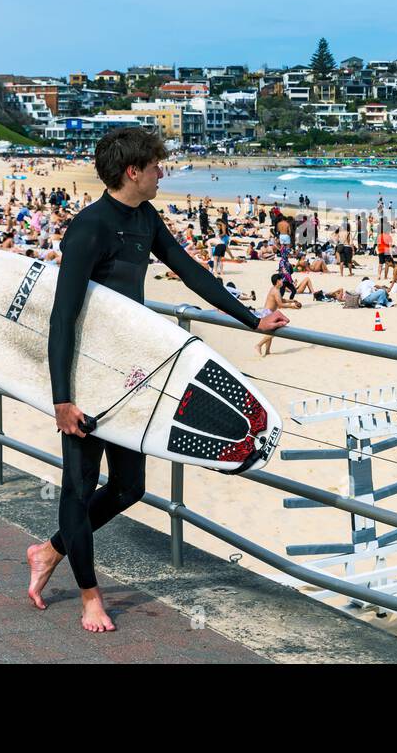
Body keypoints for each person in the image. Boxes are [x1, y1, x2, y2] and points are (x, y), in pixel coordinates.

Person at [33, 127, 287, 633]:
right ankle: (89, 598)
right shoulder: (88, 229)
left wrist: (249, 319)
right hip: (87, 377)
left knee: (130, 487)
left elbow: (191, 272)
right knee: (79, 491)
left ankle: (49, 550)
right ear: (133, 171)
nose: (161, 173)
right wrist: (63, 399)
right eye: (155, 166)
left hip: (131, 372)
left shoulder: (144, 217)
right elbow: (62, 317)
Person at [256, 274, 302, 357]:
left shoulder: (275, 289)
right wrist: (292, 306)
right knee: (274, 331)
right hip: (268, 313)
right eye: (281, 280)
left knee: (270, 332)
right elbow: (280, 304)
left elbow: (281, 300)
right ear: (278, 281)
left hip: (267, 312)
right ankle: (259, 345)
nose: (283, 281)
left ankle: (267, 351)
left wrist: (291, 300)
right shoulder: (276, 291)